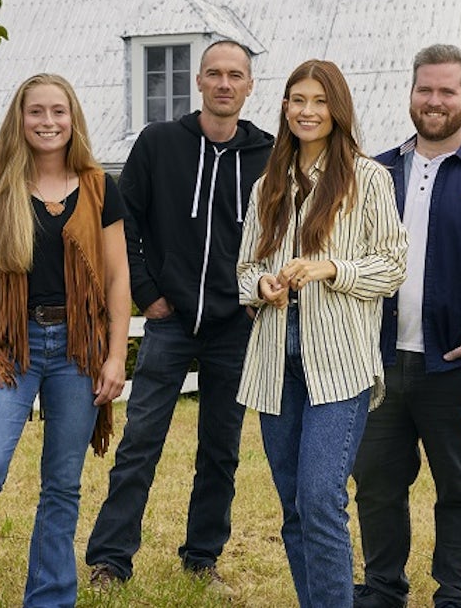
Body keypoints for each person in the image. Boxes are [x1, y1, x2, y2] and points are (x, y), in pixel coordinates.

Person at [0, 73, 130, 608]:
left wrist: (116, 356)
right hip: (7, 347)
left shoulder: (99, 187)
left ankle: (49, 598)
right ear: (19, 119)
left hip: (78, 351)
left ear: (73, 119)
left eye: (58, 112)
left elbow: (117, 280)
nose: (48, 122)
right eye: (36, 111)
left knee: (62, 485)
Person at [85, 40, 273, 592]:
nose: (224, 84)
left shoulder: (267, 155)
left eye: (235, 75)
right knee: (140, 441)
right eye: (214, 73)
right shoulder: (160, 143)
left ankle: (202, 558)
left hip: (235, 326)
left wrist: (251, 295)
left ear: (249, 85)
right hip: (169, 321)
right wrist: (147, 291)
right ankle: (111, 561)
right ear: (198, 81)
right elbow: (126, 222)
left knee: (221, 449)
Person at [236, 59, 408, 608]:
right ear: (284, 108)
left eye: (318, 101)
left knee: (320, 496)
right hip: (274, 364)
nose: (307, 112)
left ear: (337, 110)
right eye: (297, 100)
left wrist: (332, 269)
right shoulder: (266, 185)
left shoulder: (369, 178)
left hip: (339, 366)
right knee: (291, 503)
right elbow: (243, 270)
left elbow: (393, 265)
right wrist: (262, 285)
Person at [352, 44, 461, 608]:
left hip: (456, 366)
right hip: (379, 361)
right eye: (425, 90)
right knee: (376, 485)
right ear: (411, 93)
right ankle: (383, 591)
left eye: (446, 92)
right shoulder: (374, 173)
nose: (434, 101)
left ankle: (457, 596)